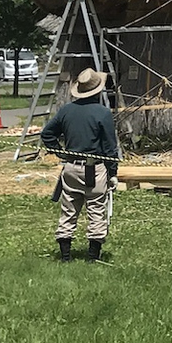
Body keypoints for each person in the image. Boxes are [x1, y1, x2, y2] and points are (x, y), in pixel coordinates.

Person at [42, 67, 122, 261]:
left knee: (68, 210)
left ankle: (65, 256)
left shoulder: (66, 110)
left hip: (70, 168)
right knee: (96, 210)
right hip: (95, 169)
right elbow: (110, 147)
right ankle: (92, 257)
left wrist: (60, 152)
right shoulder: (102, 113)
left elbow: (47, 134)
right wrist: (113, 172)